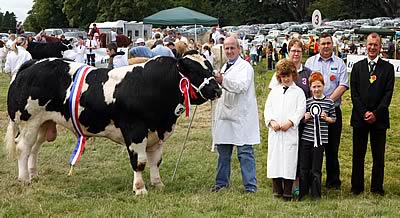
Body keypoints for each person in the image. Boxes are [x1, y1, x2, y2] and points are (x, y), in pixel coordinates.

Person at [211, 36, 260, 193]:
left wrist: (223, 80)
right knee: (223, 152)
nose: (229, 51)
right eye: (227, 48)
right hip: (225, 116)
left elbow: (241, 87)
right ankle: (221, 183)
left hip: (241, 116)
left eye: (232, 48)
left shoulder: (245, 67)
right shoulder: (224, 67)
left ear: (239, 48)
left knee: (245, 152)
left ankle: (250, 186)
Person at [350, 32, 395, 196]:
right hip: (359, 119)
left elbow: (388, 95)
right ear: (365, 45)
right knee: (358, 155)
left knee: (378, 156)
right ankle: (356, 187)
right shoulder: (357, 67)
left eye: (375, 45)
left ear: (380, 46)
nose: (372, 47)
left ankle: (377, 188)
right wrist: (364, 113)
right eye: (370, 44)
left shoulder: (388, 68)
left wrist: (375, 113)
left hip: (379, 119)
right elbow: (354, 93)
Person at [305, 32, 348, 190]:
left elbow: (343, 85)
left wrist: (327, 102)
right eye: (322, 43)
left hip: (333, 111)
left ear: (332, 44)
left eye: (328, 43)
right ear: (318, 45)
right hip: (313, 114)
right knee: (314, 147)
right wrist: (317, 103)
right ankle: (312, 180)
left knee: (332, 148)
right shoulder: (310, 62)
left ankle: (333, 182)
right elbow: (309, 86)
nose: (326, 46)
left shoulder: (340, 63)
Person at [264, 58, 306, 201]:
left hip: (289, 131)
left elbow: (300, 110)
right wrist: (272, 122)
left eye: (288, 76)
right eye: (283, 76)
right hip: (275, 132)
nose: (286, 79)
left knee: (289, 160)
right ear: (279, 77)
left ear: (293, 75)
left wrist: (291, 122)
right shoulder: (274, 92)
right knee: (275, 159)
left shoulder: (298, 92)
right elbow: (267, 109)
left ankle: (288, 191)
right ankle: (277, 189)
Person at [299, 72, 336, 201]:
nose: (316, 89)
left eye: (319, 86)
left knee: (316, 168)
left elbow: (334, 119)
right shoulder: (307, 102)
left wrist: (327, 118)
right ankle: (303, 193)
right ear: (310, 88)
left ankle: (316, 195)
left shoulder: (329, 102)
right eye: (314, 87)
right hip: (306, 139)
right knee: (304, 167)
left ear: (323, 86)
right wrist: (305, 118)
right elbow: (302, 120)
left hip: (320, 140)